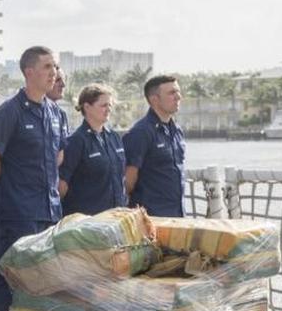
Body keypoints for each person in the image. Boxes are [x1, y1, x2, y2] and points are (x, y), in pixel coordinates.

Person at [0, 46, 65, 311]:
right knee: (12, 279)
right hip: (18, 212)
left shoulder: (55, 112)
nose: (54, 73)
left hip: (49, 211)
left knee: (46, 279)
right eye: (47, 67)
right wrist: (13, 186)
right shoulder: (10, 111)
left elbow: (57, 156)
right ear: (29, 72)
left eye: (55, 67)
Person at [59, 84, 126, 216]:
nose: (108, 109)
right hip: (87, 221)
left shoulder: (114, 138)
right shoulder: (76, 141)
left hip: (114, 218)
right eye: (103, 105)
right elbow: (62, 184)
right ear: (87, 107)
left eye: (110, 105)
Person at [123, 75, 186, 217]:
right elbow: (128, 181)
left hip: (177, 215)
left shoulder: (177, 131)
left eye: (178, 91)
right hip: (151, 218)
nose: (178, 97)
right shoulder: (141, 133)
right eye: (171, 93)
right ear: (154, 99)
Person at [46, 66, 71, 141]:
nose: (63, 85)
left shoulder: (61, 114)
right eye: (58, 80)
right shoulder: (24, 112)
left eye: (64, 80)